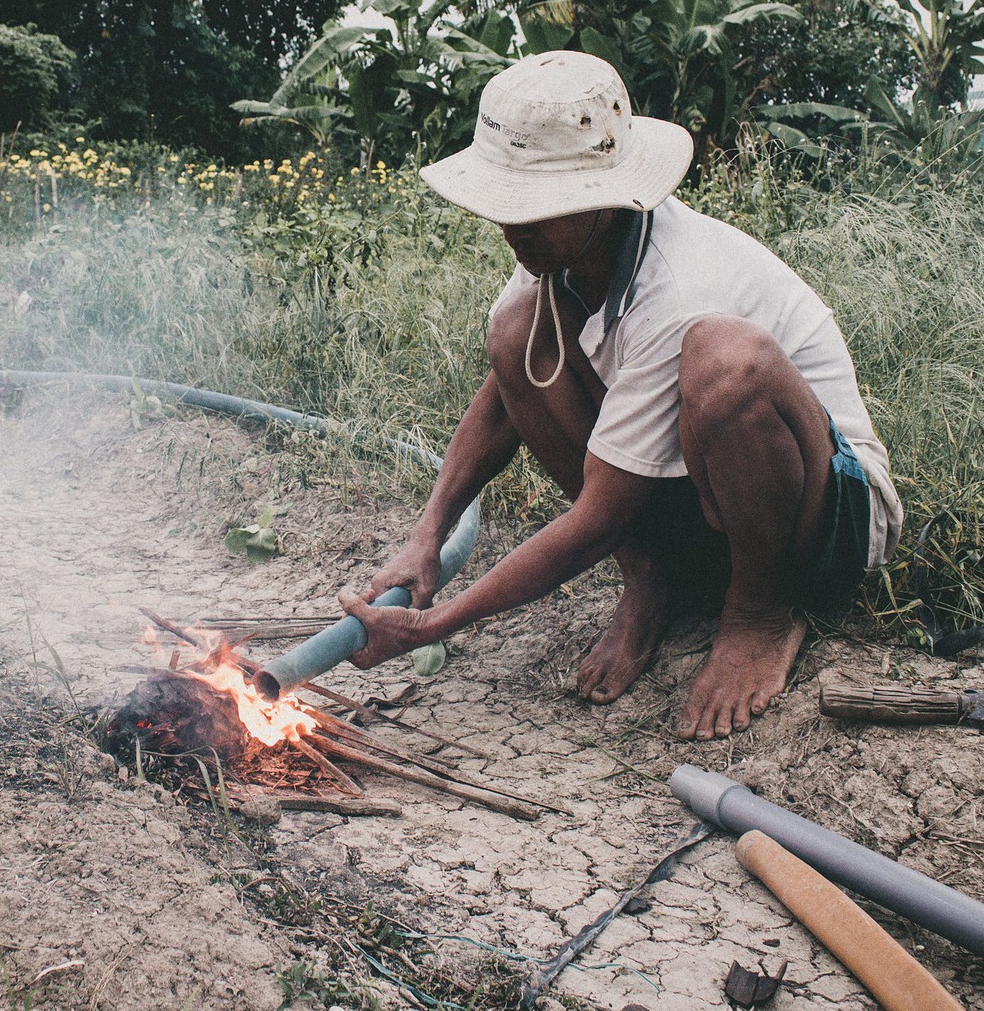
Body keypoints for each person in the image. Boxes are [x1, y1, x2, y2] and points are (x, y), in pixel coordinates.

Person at [336, 50, 901, 739]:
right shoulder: (560, 252)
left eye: (538, 209)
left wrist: (433, 625)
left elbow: (599, 516)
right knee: (514, 331)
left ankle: (759, 610)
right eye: (507, 207)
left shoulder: (678, 285)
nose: (514, 230)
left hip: (825, 519)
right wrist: (427, 536)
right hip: (712, 504)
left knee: (726, 361)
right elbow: (507, 391)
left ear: (604, 200)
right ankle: (652, 578)